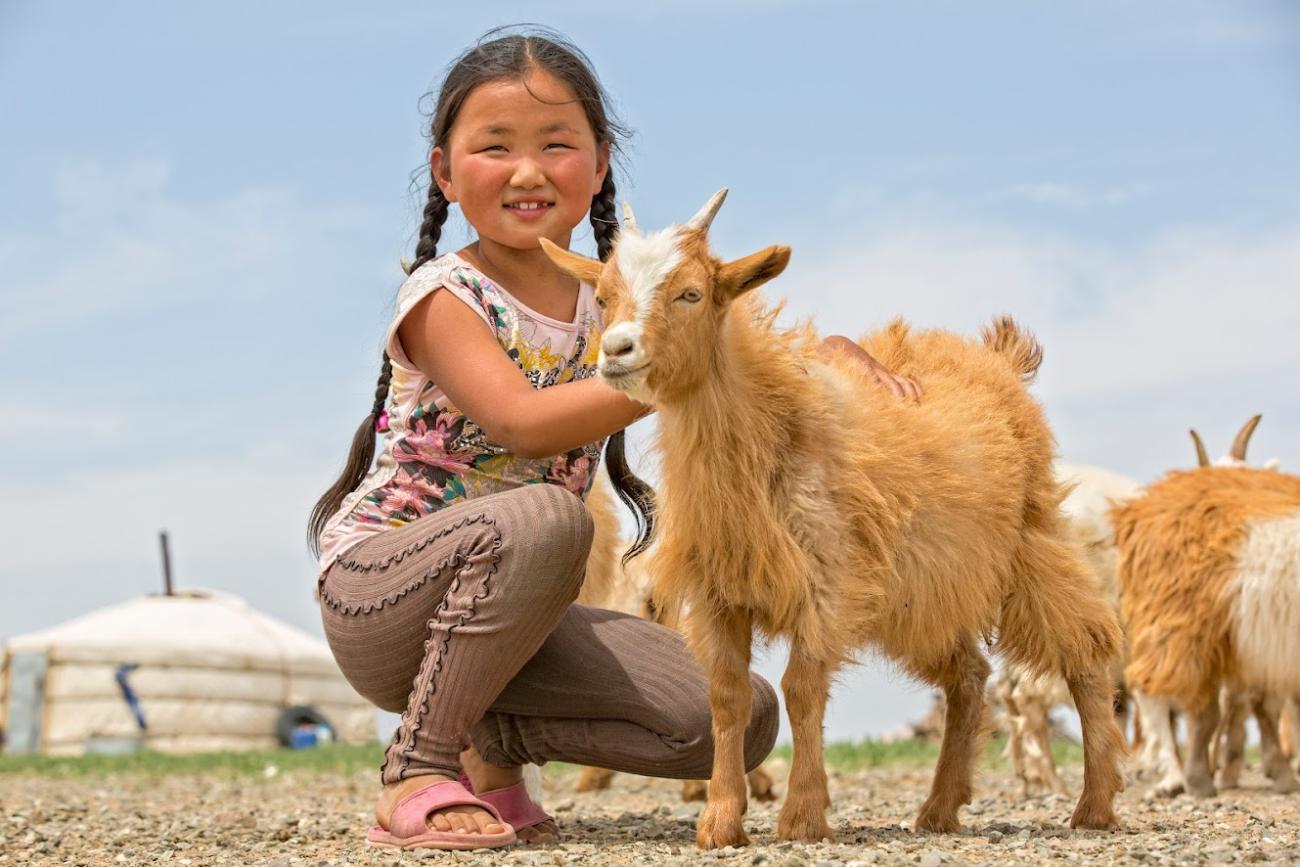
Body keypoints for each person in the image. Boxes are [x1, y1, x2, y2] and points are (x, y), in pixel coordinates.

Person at [309, 27, 919, 852]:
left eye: (557, 144)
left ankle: (494, 745)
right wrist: (676, 367)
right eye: (495, 146)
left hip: (512, 623)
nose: (528, 170)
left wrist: (822, 360)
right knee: (554, 518)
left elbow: (711, 336)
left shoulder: (621, 301)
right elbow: (522, 421)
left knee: (736, 718)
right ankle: (417, 767)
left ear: (598, 166)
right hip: (383, 597)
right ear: (446, 174)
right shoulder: (443, 296)